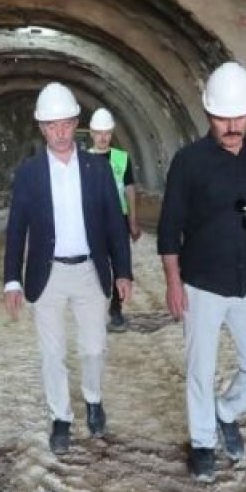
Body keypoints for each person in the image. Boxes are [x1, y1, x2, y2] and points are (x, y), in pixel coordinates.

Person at [157, 61, 246, 483]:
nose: (232, 125)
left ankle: (226, 410)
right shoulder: (188, 162)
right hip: (202, 284)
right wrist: (174, 283)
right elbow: (169, 226)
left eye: (239, 116)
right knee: (200, 368)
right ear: (208, 114)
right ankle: (202, 444)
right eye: (222, 117)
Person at [3, 84, 132, 454]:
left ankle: (93, 398)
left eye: (65, 123)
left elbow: (113, 224)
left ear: (76, 123)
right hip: (49, 274)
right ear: (42, 127)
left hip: (90, 271)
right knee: (52, 353)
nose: (59, 131)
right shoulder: (29, 173)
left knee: (93, 348)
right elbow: (16, 229)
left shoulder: (97, 168)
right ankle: (61, 417)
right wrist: (12, 278)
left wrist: (123, 271)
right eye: (51, 125)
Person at [87, 107, 142, 331]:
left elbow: (129, 189)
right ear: (91, 133)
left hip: (118, 218)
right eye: (99, 133)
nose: (103, 137)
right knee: (95, 266)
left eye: (107, 133)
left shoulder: (122, 158)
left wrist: (133, 220)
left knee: (121, 265)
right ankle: (95, 308)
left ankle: (116, 310)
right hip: (94, 220)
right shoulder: (84, 160)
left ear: (112, 133)